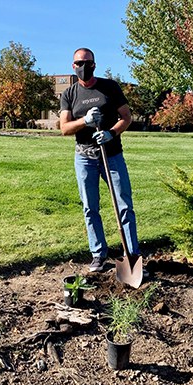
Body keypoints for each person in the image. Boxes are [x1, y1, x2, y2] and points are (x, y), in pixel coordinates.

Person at [60, 47, 140, 272]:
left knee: (124, 205)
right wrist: (85, 121)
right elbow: (64, 128)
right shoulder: (69, 94)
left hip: (112, 155)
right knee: (90, 207)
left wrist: (110, 133)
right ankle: (98, 255)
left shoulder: (110, 88)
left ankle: (132, 254)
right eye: (78, 63)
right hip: (84, 158)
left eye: (87, 62)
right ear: (73, 66)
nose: (83, 67)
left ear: (94, 64)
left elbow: (126, 117)